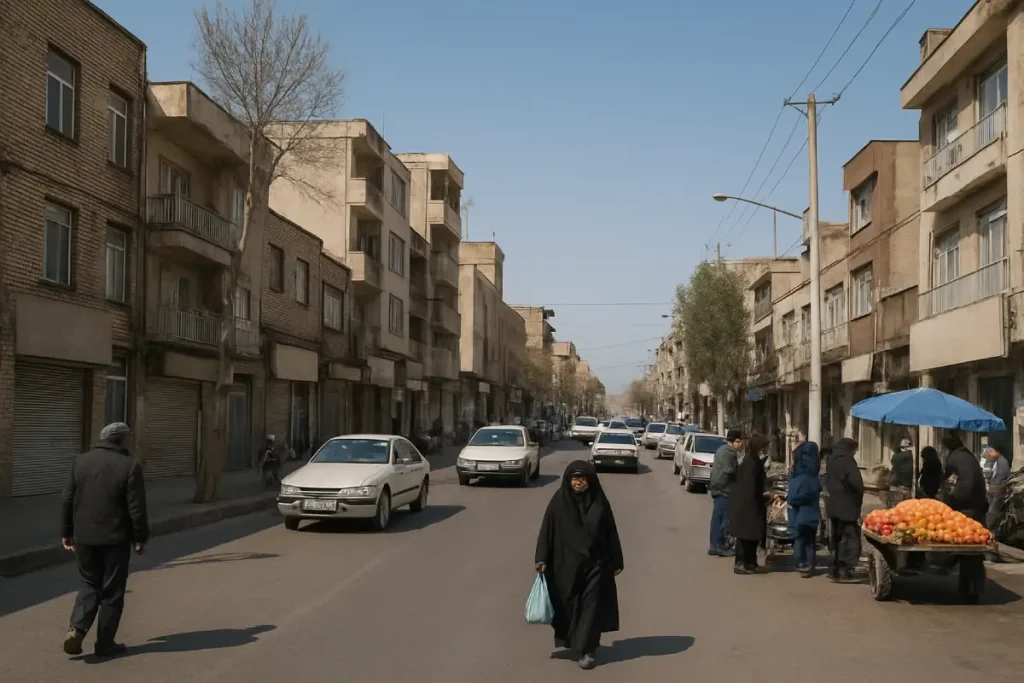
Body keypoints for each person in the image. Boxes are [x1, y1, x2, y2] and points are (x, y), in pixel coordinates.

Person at [60, 422, 149, 658]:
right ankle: (105, 644)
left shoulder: (80, 461)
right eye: (128, 437)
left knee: (89, 583)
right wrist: (140, 537)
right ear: (121, 440)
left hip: (85, 537)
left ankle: (77, 629)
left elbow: (67, 499)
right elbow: (136, 508)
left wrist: (66, 531)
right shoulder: (130, 466)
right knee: (112, 591)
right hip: (115, 539)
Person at [535, 461, 623, 670]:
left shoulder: (600, 502)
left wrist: (616, 560)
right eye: (575, 478)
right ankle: (571, 641)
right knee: (569, 605)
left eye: (582, 479)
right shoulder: (558, 502)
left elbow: (611, 531)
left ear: (590, 481)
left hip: (596, 565)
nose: (578, 482)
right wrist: (541, 558)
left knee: (591, 606)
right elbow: (547, 530)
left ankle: (587, 650)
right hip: (565, 566)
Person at [727, 433, 771, 574]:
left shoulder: (754, 459)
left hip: (752, 504)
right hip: (747, 505)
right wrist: (763, 494)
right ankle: (740, 564)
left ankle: (751, 562)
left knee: (753, 535)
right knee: (744, 536)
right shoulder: (750, 462)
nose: (766, 449)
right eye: (765, 447)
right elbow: (750, 486)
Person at [824, 437, 864, 583]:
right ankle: (845, 570)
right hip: (847, 506)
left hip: (833, 506)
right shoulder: (848, 461)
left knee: (837, 537)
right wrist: (858, 498)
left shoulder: (831, 460)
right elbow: (856, 483)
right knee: (850, 538)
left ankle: (834, 568)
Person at [787, 441, 822, 578]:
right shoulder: (814, 468)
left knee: (799, 536)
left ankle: (801, 562)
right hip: (810, 508)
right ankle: (809, 563)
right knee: (809, 538)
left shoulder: (797, 464)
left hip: (796, 504)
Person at [707, 429, 742, 557]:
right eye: (739, 441)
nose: (741, 444)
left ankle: (714, 545)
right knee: (722, 520)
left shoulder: (721, 449)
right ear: (733, 441)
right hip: (724, 490)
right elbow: (729, 470)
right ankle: (720, 547)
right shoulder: (730, 452)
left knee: (716, 519)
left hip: (716, 488)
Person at [942, 433, 988, 523]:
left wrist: (952, 498)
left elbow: (957, 482)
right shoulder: (966, 455)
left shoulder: (957, 458)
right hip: (975, 503)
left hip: (966, 506)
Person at [984, 441, 1012, 533]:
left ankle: (990, 530)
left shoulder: (1002, 462)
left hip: (998, 494)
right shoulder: (996, 462)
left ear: (998, 452)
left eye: (992, 451)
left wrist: (992, 489)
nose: (989, 453)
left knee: (992, 513)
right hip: (994, 493)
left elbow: (1001, 479)